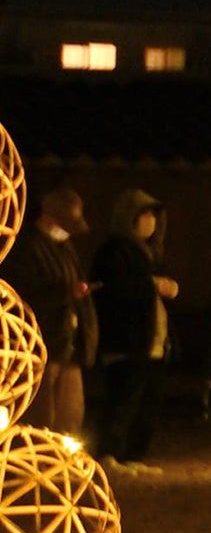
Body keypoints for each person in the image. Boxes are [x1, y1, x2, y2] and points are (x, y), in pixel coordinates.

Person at [86, 189, 179, 466]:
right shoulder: (115, 251)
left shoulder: (149, 254)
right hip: (127, 342)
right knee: (122, 400)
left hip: (152, 342)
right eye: (145, 215)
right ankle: (110, 453)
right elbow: (114, 290)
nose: (151, 221)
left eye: (153, 215)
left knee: (146, 402)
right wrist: (152, 285)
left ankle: (132, 455)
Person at [2, 183, 96, 437]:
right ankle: (42, 464)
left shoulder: (65, 248)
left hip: (70, 344)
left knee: (71, 412)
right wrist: (66, 292)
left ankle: (65, 462)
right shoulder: (28, 248)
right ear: (51, 219)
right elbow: (24, 294)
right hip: (45, 344)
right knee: (43, 415)